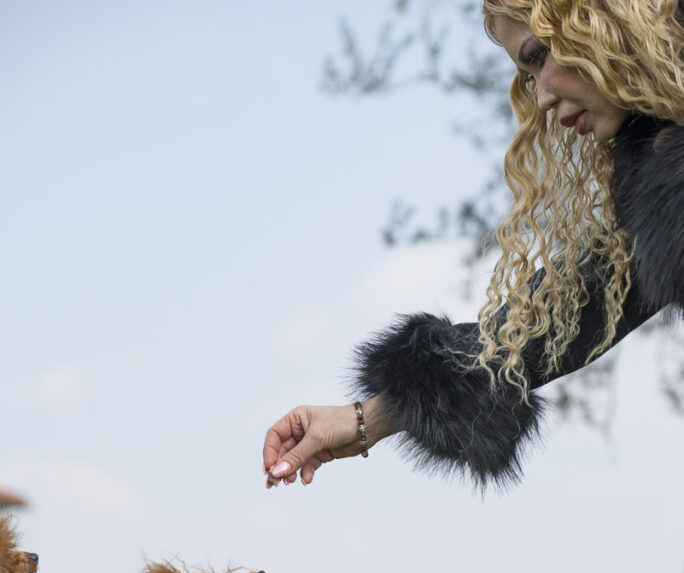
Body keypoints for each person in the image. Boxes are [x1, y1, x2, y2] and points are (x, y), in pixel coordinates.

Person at [263, 0, 684, 490]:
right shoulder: (656, 180)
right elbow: (569, 311)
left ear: (608, 22)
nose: (541, 97)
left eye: (539, 54)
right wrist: (370, 417)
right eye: (527, 75)